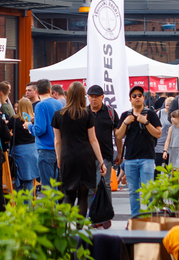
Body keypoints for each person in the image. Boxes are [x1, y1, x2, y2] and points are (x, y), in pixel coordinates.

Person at [52, 83, 108, 217]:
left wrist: (59, 158)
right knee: (83, 195)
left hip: (67, 156)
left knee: (69, 193)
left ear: (68, 95)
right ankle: (79, 228)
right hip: (85, 157)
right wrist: (101, 161)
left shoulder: (58, 115)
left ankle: (65, 227)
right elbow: (93, 140)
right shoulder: (87, 114)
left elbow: (57, 140)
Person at [115, 87, 162, 218]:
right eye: (134, 96)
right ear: (130, 99)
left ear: (143, 98)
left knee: (148, 190)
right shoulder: (125, 115)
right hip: (130, 159)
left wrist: (145, 122)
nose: (137, 97)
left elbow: (158, 133)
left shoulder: (150, 114)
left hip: (147, 157)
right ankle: (135, 217)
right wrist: (125, 122)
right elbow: (118, 135)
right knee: (133, 192)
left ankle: (151, 216)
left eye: (139, 95)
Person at [87, 84, 120, 222]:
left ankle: (105, 214)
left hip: (106, 155)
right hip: (87, 156)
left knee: (105, 185)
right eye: (91, 97)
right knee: (90, 187)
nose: (93, 100)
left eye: (96, 97)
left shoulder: (110, 113)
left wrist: (119, 153)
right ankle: (93, 215)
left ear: (102, 97)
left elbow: (117, 135)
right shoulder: (84, 112)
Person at [30, 78, 63, 187]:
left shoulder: (40, 106)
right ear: (50, 90)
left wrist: (29, 126)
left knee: (47, 188)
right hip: (58, 149)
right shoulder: (59, 104)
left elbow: (39, 130)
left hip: (45, 149)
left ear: (37, 92)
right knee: (56, 187)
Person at [11, 97, 39, 191]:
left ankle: (19, 204)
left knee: (18, 178)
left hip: (19, 151)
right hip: (33, 151)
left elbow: (7, 130)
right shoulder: (34, 119)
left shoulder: (14, 119)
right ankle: (29, 204)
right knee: (29, 180)